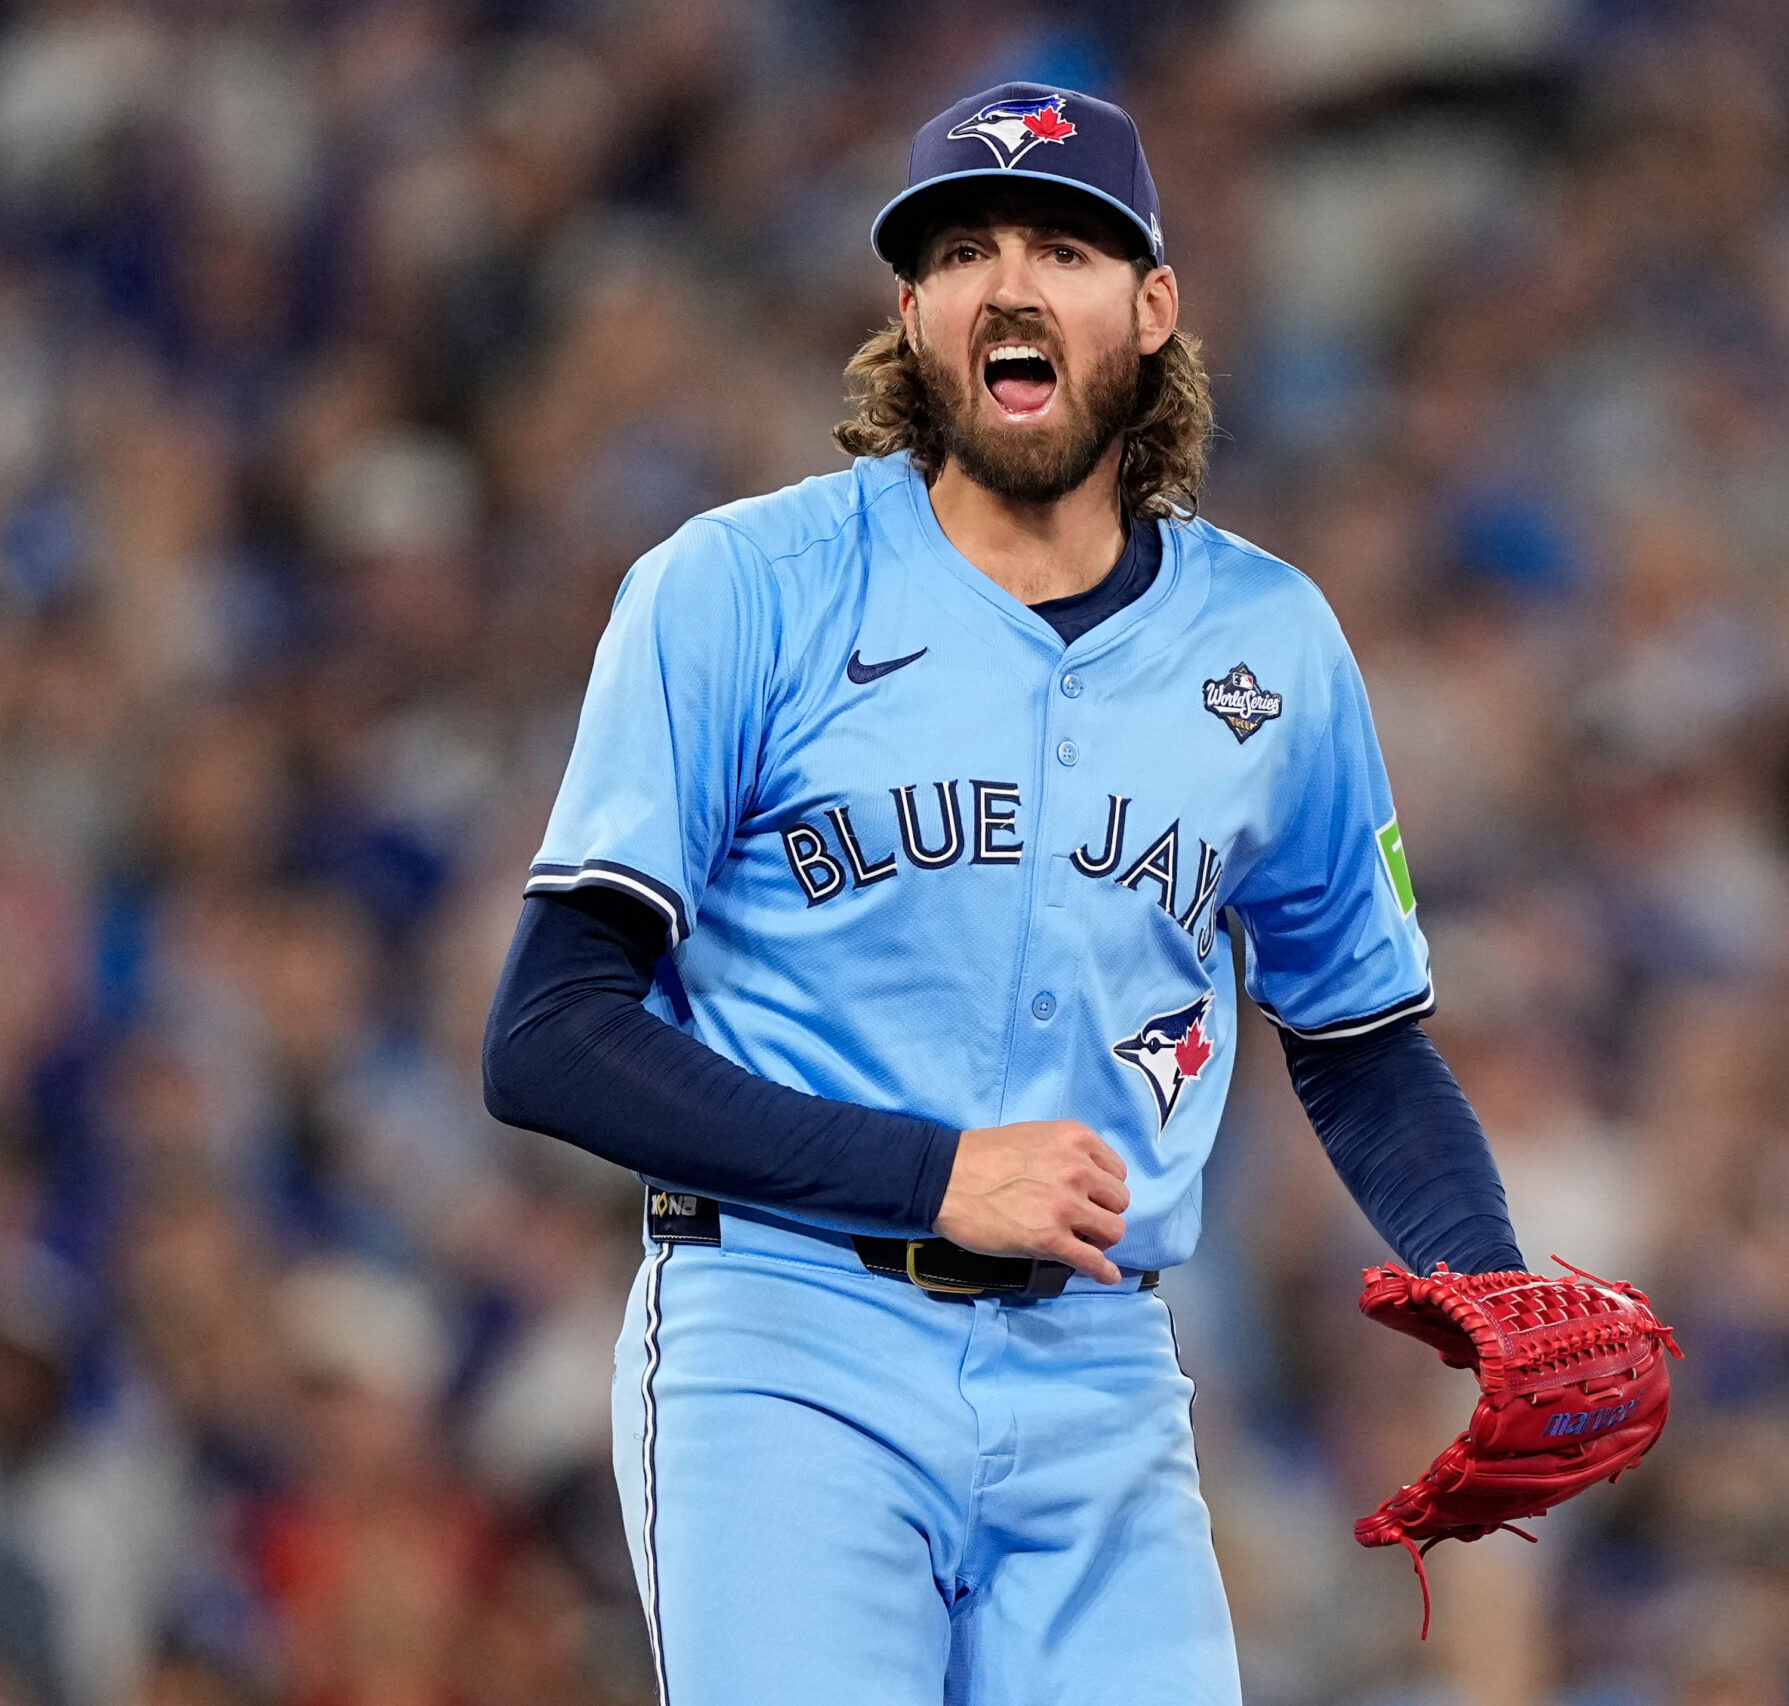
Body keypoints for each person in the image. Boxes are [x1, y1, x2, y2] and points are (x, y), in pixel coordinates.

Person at [482, 82, 1523, 1705]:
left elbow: (1360, 1037)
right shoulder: (741, 588)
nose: (1011, 285)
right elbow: (548, 1033)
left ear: (1153, 307)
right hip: (787, 1341)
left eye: (1065, 247)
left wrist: (1493, 1285)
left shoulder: (1270, 643)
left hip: (1101, 1376)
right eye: (963, 250)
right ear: (911, 312)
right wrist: (930, 1172)